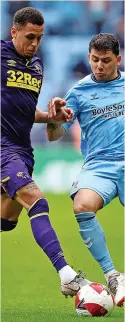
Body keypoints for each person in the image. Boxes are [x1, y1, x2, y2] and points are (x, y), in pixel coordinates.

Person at [1, 7, 87, 298]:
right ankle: (66, 274)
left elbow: (24, 113)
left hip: (22, 149)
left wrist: (52, 116)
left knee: (6, 221)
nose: (35, 43)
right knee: (37, 201)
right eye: (29, 37)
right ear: (14, 32)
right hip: (2, 149)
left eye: (39, 38)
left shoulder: (36, 66)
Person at [46, 33, 125, 307]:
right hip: (100, 166)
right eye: (94, 60)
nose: (99, 66)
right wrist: (53, 121)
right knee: (82, 205)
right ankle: (113, 275)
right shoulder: (78, 92)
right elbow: (55, 135)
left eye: (105, 61)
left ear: (118, 59)